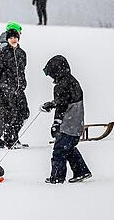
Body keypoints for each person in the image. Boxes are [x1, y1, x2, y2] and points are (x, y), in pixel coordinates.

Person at [41, 55, 92, 183]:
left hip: (68, 124)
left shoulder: (61, 85)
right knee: (68, 148)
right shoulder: (72, 81)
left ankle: (57, 178)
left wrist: (56, 123)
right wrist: (52, 104)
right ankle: (81, 171)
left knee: (59, 151)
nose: (52, 77)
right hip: (77, 123)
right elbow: (63, 101)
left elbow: (61, 105)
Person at [0, 28, 30, 149]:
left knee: (24, 113)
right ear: (7, 39)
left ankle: (14, 137)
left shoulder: (22, 53)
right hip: (6, 89)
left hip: (19, 89)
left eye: (15, 37)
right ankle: (8, 140)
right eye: (11, 37)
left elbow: (22, 71)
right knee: (10, 115)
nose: (13, 39)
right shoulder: (3, 53)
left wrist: (22, 84)